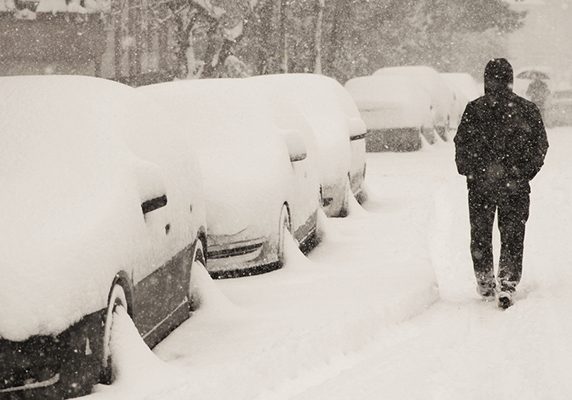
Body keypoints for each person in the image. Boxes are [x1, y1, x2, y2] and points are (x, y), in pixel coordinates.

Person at [454, 58, 549, 309]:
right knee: (512, 235)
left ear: (486, 80)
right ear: (511, 80)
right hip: (513, 185)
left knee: (481, 234)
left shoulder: (475, 109)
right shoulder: (526, 109)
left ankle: (485, 280)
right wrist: (524, 172)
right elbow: (540, 146)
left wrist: (470, 171)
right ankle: (507, 282)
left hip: (481, 185)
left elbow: (461, 144)